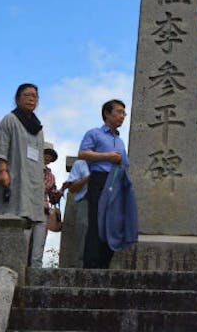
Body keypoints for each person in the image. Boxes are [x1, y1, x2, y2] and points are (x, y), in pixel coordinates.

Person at [0, 83, 47, 267]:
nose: (32, 99)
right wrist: (3, 170)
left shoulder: (38, 128)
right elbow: (2, 146)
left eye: (35, 96)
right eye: (27, 95)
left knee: (33, 219)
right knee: (13, 214)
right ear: (17, 98)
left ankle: (28, 264)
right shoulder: (10, 120)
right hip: (14, 177)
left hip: (33, 182)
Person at [78, 99, 128, 269]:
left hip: (117, 182)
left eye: (124, 113)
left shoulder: (120, 141)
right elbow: (83, 153)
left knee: (114, 223)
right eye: (119, 111)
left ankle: (105, 264)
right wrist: (106, 156)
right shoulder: (94, 133)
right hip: (100, 179)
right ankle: (91, 266)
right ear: (107, 113)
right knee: (97, 221)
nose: (122, 116)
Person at [62, 159, 91, 268]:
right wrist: (88, 178)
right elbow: (72, 188)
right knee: (83, 227)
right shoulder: (80, 164)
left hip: (103, 203)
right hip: (85, 200)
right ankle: (80, 264)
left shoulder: (108, 161)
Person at [39, 144, 63, 263]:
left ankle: (35, 267)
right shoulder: (29, 170)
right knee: (25, 240)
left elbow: (53, 197)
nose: (48, 157)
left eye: (50, 155)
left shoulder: (50, 176)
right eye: (46, 154)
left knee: (39, 243)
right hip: (27, 208)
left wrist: (62, 189)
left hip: (43, 210)